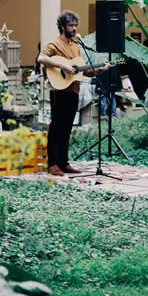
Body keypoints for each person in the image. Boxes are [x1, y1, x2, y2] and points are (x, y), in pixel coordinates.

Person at [37, 10, 109, 176]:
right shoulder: (55, 44)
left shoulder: (76, 46)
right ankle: (53, 164)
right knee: (56, 128)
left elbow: (82, 71)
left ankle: (64, 162)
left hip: (73, 91)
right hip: (58, 91)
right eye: (71, 25)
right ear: (62, 26)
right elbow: (41, 58)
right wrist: (63, 66)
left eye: (76, 25)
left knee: (67, 128)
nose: (74, 28)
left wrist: (100, 69)